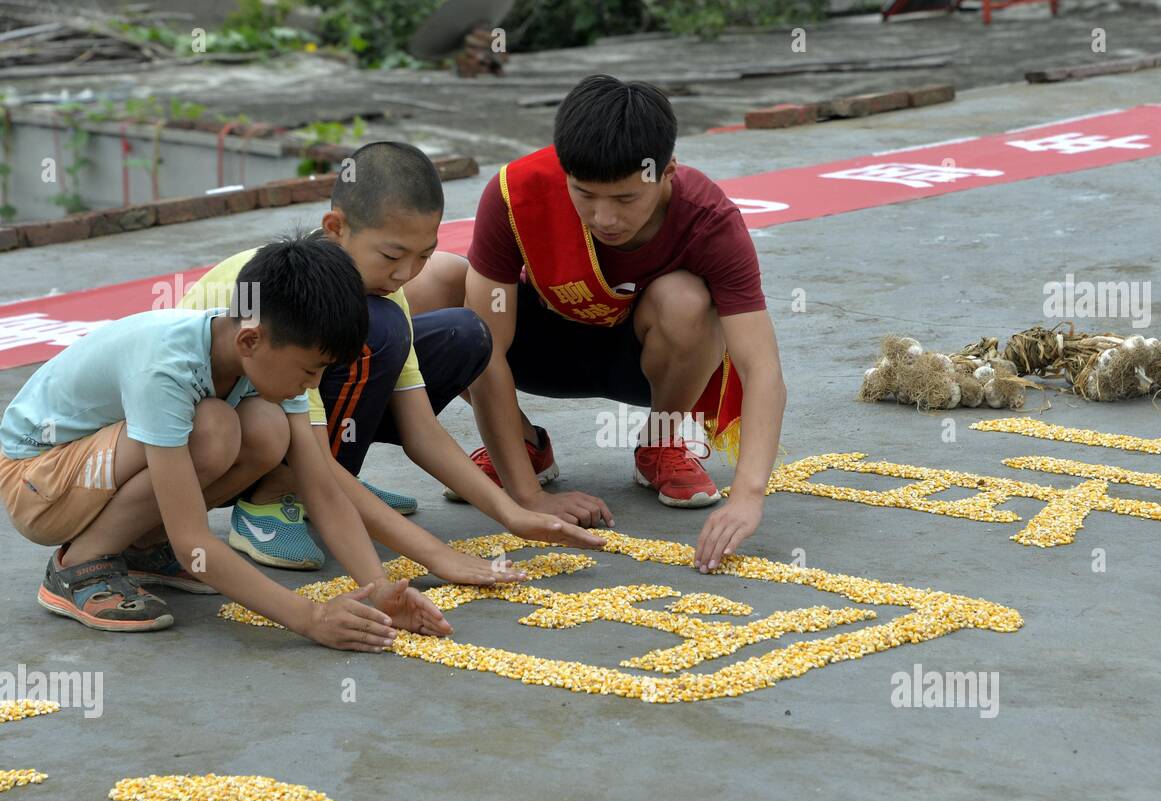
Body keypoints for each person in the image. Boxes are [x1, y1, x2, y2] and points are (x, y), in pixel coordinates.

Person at [0, 233, 447, 650]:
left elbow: (322, 489)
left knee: (266, 429)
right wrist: (310, 617)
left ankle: (140, 547)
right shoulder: (167, 368)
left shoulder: (256, 352)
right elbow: (193, 543)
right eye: (311, 370)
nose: (313, 384)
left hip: (89, 471)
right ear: (251, 339)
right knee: (213, 427)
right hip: (35, 482)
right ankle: (78, 564)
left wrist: (381, 589)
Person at [182, 141, 603, 577]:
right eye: (392, 256)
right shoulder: (289, 299)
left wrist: (514, 511)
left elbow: (421, 429)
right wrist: (441, 558)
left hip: (286, 424)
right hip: (219, 443)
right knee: (376, 330)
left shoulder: (380, 286)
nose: (406, 274)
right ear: (335, 227)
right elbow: (312, 455)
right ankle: (274, 497)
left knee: (462, 333)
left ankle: (334, 484)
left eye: (423, 256)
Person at [432, 74, 786, 573]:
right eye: (584, 194)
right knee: (434, 286)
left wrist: (748, 495)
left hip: (646, 364)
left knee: (686, 299)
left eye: (624, 199)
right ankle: (523, 446)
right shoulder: (517, 194)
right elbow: (485, 353)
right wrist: (526, 494)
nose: (604, 218)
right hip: (540, 351)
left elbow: (761, 365)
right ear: (565, 172)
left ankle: (661, 442)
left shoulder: (708, 219)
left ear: (667, 173)